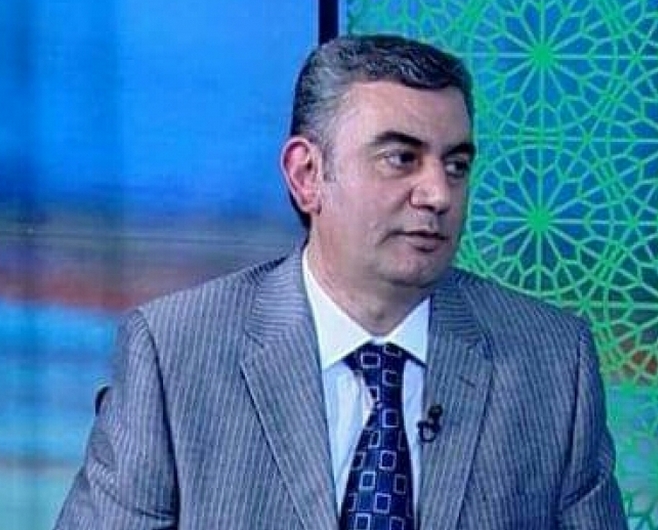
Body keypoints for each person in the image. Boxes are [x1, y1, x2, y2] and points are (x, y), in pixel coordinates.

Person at [54, 33, 628, 529]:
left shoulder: (553, 362)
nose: (439, 194)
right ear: (308, 175)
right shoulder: (175, 353)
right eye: (401, 158)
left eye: (456, 165)